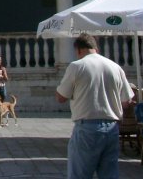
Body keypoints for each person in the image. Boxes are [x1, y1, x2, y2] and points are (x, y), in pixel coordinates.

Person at [55, 33, 134, 179]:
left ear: (78, 50)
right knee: (109, 174)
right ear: (96, 48)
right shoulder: (115, 67)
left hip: (87, 127)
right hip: (112, 128)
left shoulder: (77, 66)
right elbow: (126, 101)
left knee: (80, 174)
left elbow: (61, 97)